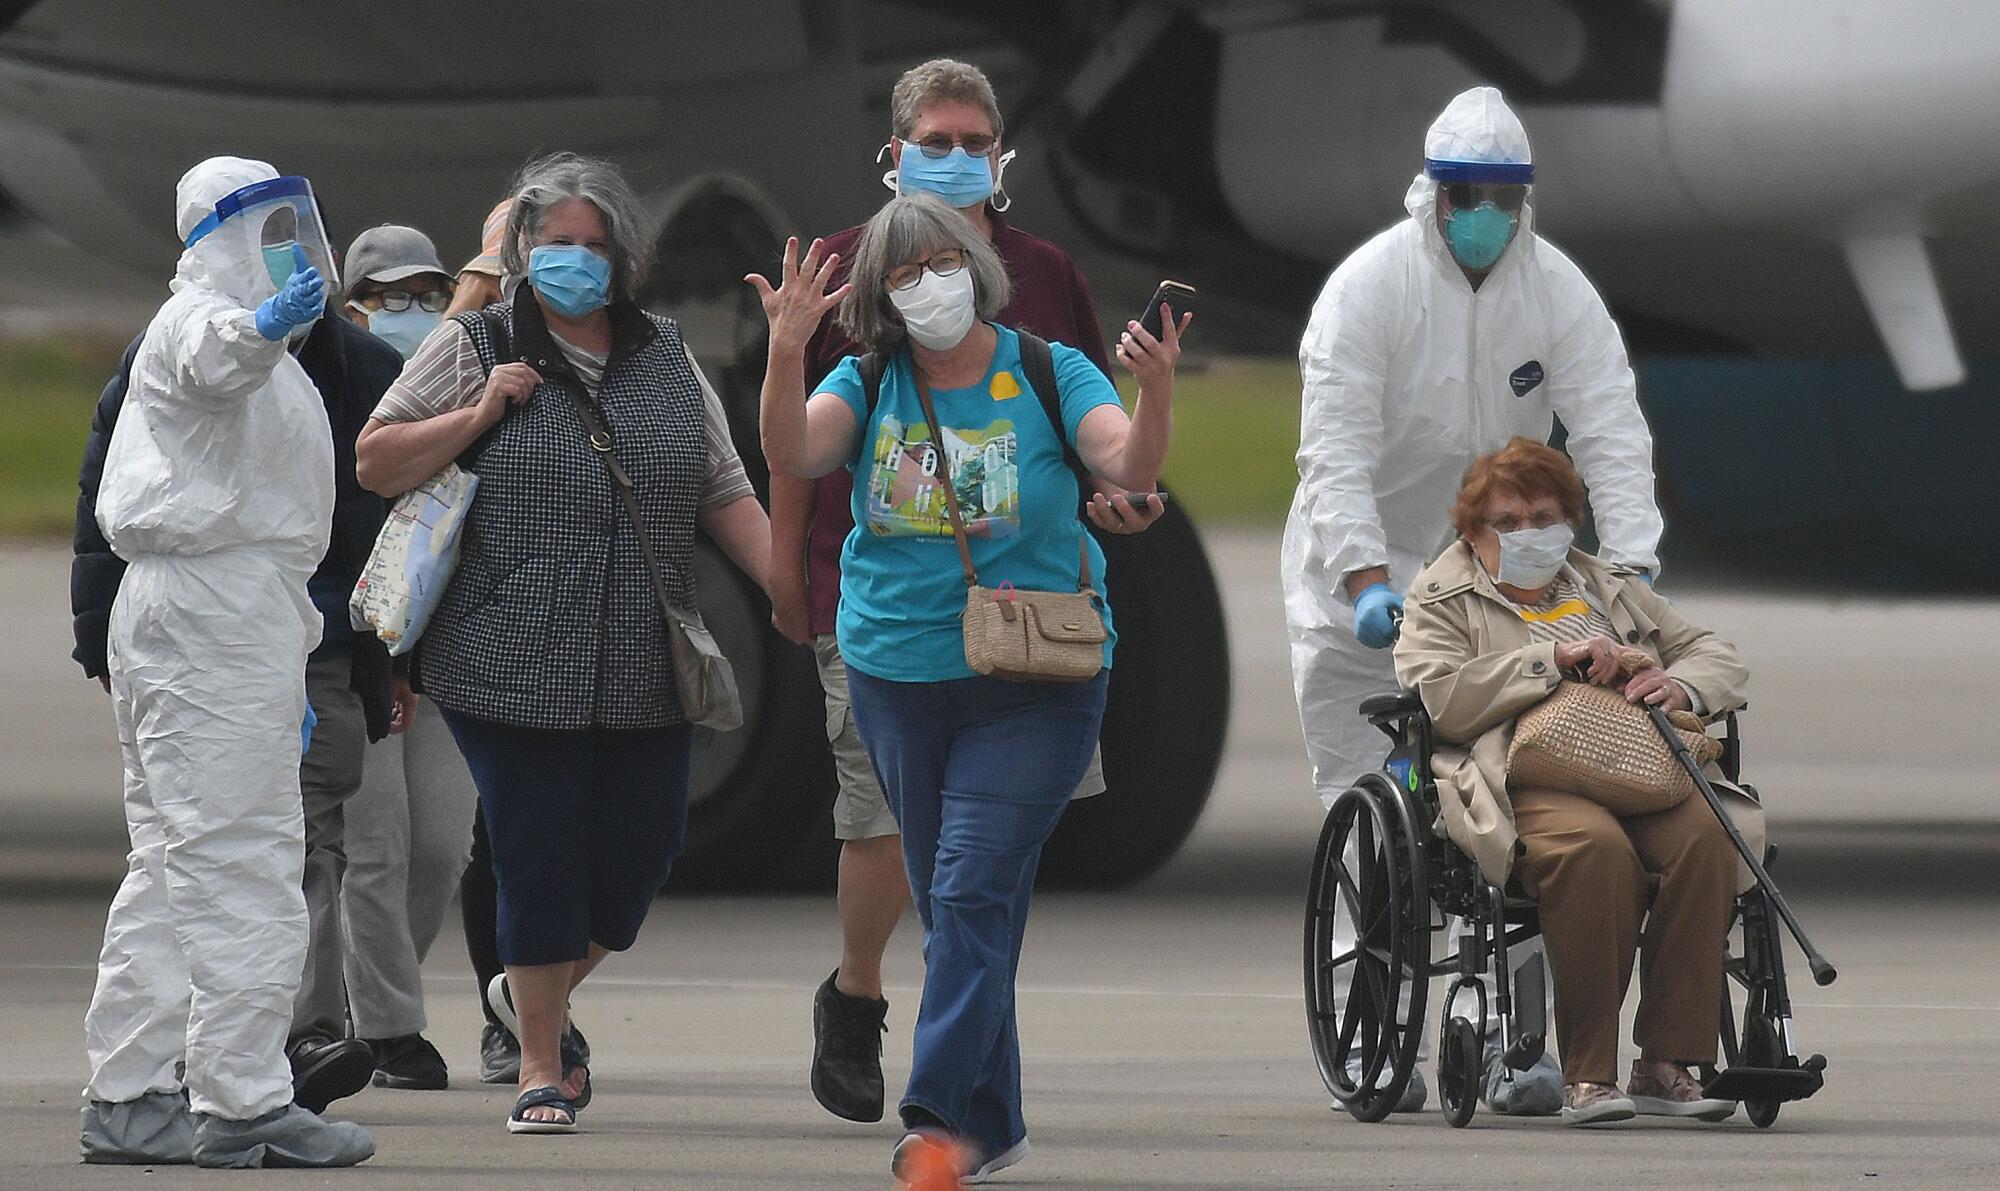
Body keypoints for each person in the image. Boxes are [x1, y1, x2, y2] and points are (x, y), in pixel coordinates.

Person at [750, 192, 1189, 1182]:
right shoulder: (868, 380)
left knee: (967, 883)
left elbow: (1123, 460)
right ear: (878, 295)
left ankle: (936, 1115)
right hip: (896, 674)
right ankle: (995, 1125)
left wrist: (1155, 393)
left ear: (977, 271)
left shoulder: (1046, 368)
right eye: (902, 274)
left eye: (941, 263)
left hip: (1037, 677)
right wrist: (785, 349)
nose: (927, 285)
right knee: (964, 912)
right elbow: (792, 452)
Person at [355, 152, 772, 1134]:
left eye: (594, 246)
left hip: (643, 653)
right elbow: (377, 459)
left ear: (623, 258)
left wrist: (796, 593)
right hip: (504, 649)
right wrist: (480, 410)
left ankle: (523, 990)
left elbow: (724, 493)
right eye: (557, 244)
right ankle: (542, 1061)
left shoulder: (666, 357)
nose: (576, 261)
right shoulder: (472, 341)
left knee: (637, 857)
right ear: (524, 252)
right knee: (538, 853)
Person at [1281, 85, 1663, 1114]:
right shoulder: (1368, 290)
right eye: (1466, 193)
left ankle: (1523, 1044)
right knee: (1373, 810)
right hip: (1367, 584)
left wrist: (1627, 569)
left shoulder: (1557, 292)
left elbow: (1610, 429)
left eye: (1503, 193)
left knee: (1527, 799)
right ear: (1433, 195)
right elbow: (1334, 452)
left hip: (1503, 582)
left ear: (1522, 197)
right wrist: (1364, 580)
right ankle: (1377, 1034)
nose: (1485, 209)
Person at [78, 155, 374, 1168]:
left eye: (301, 222)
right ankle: (243, 1097)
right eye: (269, 225)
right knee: (242, 853)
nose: (291, 243)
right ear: (216, 235)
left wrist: (280, 661)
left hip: (215, 613)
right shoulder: (202, 321)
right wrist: (257, 326)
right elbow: (215, 358)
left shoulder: (270, 350)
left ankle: (128, 1093)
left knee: (171, 861)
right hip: (210, 609)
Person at [1393, 438, 1755, 1126]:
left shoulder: (1604, 584)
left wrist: (1676, 680)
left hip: (1635, 764)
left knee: (1709, 839)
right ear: (1473, 530)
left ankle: (1664, 1062)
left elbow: (1718, 654)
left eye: (1545, 517)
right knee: (1597, 852)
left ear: (1571, 522)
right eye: (1508, 520)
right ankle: (1588, 1073)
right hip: (1520, 772)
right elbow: (1439, 695)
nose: (1530, 533)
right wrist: (1549, 659)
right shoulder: (1441, 596)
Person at [334, 225, 481, 1091]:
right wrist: (374, 661)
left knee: (442, 845)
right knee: (377, 842)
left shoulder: (462, 394)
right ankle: (389, 1026)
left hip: (443, 661)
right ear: (353, 308)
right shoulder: (332, 397)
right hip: (360, 656)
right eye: (392, 299)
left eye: (429, 296)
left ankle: (376, 990)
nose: (414, 313)